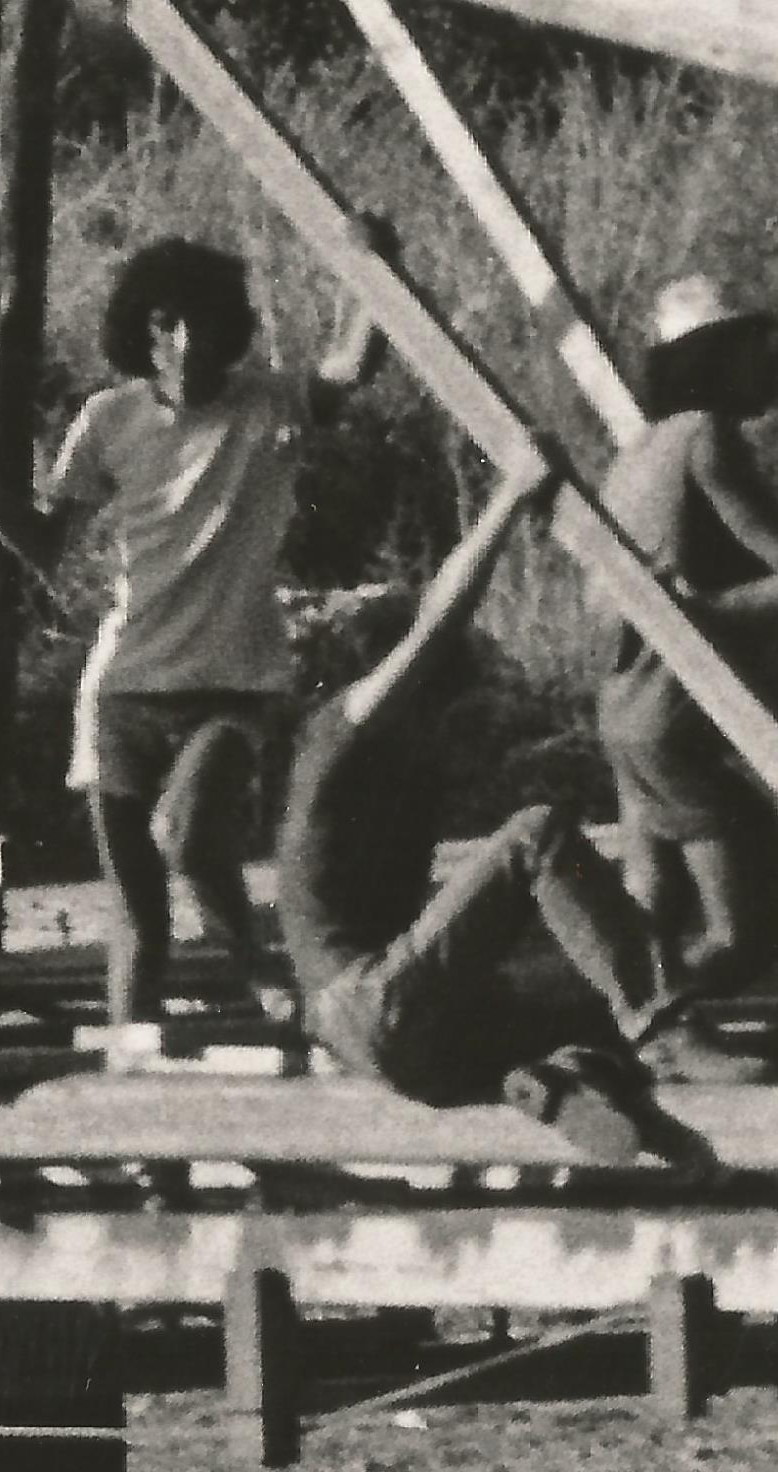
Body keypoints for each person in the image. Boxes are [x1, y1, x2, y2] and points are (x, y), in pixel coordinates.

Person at [269, 478, 686, 1138]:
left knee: (581, 1008)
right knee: (536, 833)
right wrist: (510, 496)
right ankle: (659, 1034)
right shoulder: (336, 737)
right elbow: (437, 627)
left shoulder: (410, 773)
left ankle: (551, 1081)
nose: (451, 730)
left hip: (400, 1039)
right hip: (366, 1007)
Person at [33, 237, 378, 1029]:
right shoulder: (109, 418)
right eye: (176, 331)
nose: (195, 353)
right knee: (137, 920)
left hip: (233, 683)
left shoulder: (267, 405)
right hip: (121, 689)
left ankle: (255, 966)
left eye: (213, 335)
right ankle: (132, 1109)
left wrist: (368, 268)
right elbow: (44, 544)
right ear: (149, 333)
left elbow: (349, 368)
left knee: (189, 838)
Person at [590, 275, 778, 995]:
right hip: (672, 710)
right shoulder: (707, 437)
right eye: (755, 350)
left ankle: (636, 1030)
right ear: (713, 356)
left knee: (655, 910)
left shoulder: (639, 449)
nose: (775, 366)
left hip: (625, 709)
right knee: (743, 934)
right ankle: (641, 1027)